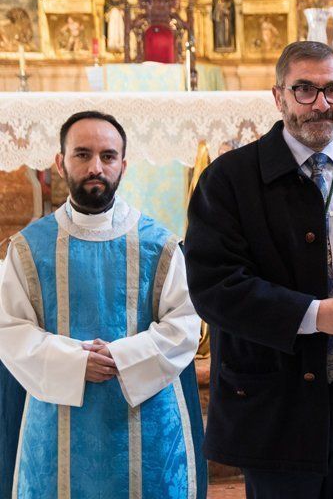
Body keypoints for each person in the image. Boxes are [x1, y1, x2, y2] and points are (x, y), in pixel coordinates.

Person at [183, 41, 333, 499]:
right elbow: (214, 287)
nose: (322, 104)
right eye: (305, 90)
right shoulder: (230, 180)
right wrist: (313, 315)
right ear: (279, 97)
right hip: (277, 405)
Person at [0, 110, 205, 499]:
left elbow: (184, 325)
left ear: (123, 165)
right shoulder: (29, 248)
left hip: (145, 418)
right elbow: (9, 329)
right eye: (82, 154)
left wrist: (121, 358)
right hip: (56, 417)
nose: (96, 167)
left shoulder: (157, 243)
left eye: (108, 156)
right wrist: (77, 362)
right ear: (60, 163)